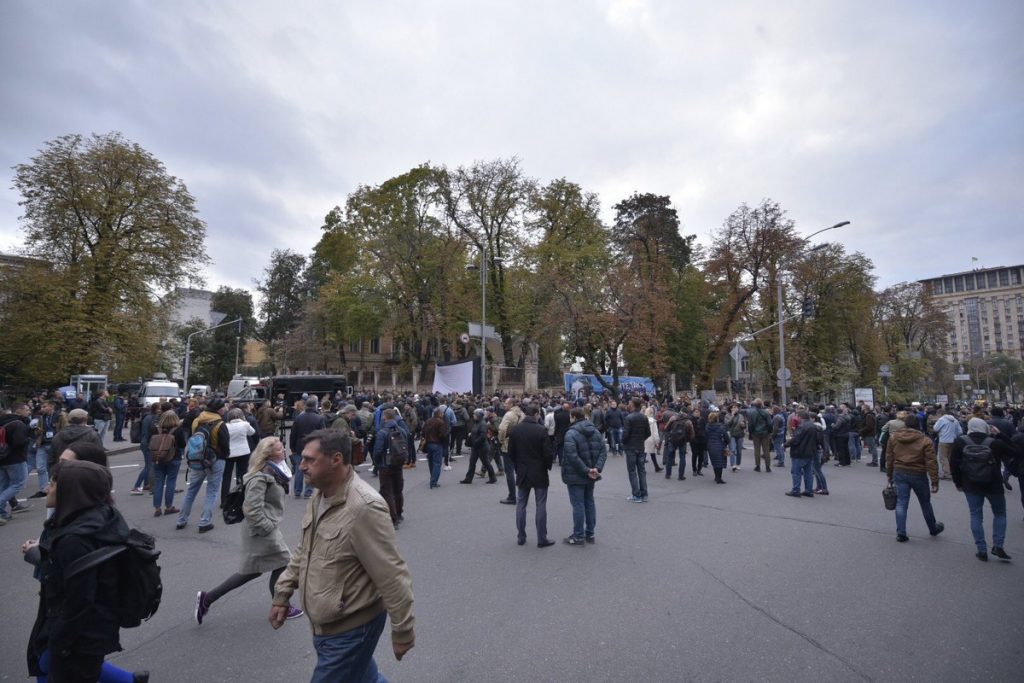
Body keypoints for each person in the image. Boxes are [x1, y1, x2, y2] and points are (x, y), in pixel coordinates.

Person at [269, 429, 415, 682]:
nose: (301, 466)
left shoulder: (364, 507)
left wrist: (403, 630)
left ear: (336, 459)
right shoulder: (321, 494)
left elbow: (392, 574)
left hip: (351, 628)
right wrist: (282, 593)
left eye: (309, 459)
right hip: (328, 624)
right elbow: (306, 549)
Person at [26, 460, 141, 682]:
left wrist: (59, 642)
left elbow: (79, 598)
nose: (47, 488)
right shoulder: (102, 519)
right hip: (95, 631)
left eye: (53, 483)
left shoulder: (74, 539)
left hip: (78, 638)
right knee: (44, 666)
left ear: (71, 491)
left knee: (47, 667)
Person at [196, 437, 303, 623]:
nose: (284, 451)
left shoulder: (274, 471)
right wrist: (268, 525)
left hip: (263, 528)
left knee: (252, 571)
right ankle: (281, 607)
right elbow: (251, 508)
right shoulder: (261, 476)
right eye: (279, 449)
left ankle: (208, 598)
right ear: (268, 455)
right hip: (261, 531)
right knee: (284, 563)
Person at [950, 418, 1014, 561]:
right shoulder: (994, 442)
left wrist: (958, 482)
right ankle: (998, 545)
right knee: (1000, 514)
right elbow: (1014, 451)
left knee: (975, 515)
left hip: (971, 484)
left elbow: (953, 463)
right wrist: (1000, 435)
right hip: (994, 483)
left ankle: (981, 549)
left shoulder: (961, 442)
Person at [886, 414, 944, 542]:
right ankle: (932, 528)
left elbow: (889, 458)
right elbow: (931, 462)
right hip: (918, 473)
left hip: (900, 471)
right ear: (919, 425)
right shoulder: (925, 440)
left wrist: (889, 475)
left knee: (901, 503)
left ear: (905, 424)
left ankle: (901, 532)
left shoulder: (894, 437)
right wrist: (934, 481)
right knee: (925, 503)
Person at [175, 399, 230, 533]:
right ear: (219, 410)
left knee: (192, 490)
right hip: (216, 459)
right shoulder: (220, 424)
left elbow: (194, 438)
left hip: (198, 459)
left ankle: (181, 519)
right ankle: (204, 521)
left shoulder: (197, 421)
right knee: (211, 491)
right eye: (223, 407)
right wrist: (225, 455)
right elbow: (225, 445)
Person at [507, 404, 555, 547]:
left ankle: (521, 536)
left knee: (521, 503)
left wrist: (518, 465)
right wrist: (547, 466)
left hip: (522, 470)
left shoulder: (516, 429)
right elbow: (548, 453)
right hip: (539, 471)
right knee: (541, 504)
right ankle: (542, 538)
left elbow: (511, 452)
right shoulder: (541, 430)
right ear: (535, 414)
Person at [561, 407, 607, 545]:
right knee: (589, 502)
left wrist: (587, 470)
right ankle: (590, 533)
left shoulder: (571, 433)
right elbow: (603, 452)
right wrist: (596, 468)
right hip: (591, 473)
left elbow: (572, 456)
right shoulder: (595, 431)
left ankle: (578, 536)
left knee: (578, 505)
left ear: (574, 417)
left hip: (577, 474)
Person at [372, 408, 409, 526]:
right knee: (398, 490)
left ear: (385, 417)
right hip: (398, 462)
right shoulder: (401, 430)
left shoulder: (382, 432)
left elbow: (377, 450)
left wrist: (377, 464)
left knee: (387, 491)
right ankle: (399, 513)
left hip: (385, 464)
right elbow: (406, 444)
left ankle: (393, 518)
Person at [288, 397, 326, 498]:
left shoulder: (298, 418)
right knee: (311, 468)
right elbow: (323, 434)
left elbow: (293, 434)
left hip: (300, 445)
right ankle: (308, 491)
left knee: (299, 469)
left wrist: (292, 447)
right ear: (315, 405)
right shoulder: (319, 418)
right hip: (314, 445)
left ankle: (297, 490)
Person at [0, 404, 32, 523]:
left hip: (2, 458)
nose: (29, 412)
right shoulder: (18, 424)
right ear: (20, 411)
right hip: (15, 459)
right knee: (18, 483)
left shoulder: (3, 422)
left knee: (3, 485)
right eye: (27, 410)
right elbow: (19, 442)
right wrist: (29, 438)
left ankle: (2, 513)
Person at [151, 410, 184, 518]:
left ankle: (157, 508)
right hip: (173, 458)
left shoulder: (156, 429)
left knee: (158, 482)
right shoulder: (178, 430)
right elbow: (183, 444)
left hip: (158, 457)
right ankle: (169, 507)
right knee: (171, 481)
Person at [49, 408, 102, 474]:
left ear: (69, 420)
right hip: (87, 475)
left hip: (63, 474)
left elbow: (51, 460)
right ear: (85, 419)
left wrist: (54, 477)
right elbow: (100, 459)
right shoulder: (92, 435)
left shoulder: (57, 436)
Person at [223, 408, 256, 505]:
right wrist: (245, 421)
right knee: (243, 474)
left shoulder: (226, 426)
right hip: (243, 451)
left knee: (227, 476)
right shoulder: (245, 424)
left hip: (229, 452)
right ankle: (242, 496)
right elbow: (252, 432)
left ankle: (224, 499)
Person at [621, 398, 651, 502]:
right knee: (641, 471)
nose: (628, 404)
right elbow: (648, 433)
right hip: (640, 446)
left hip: (631, 447)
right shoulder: (644, 417)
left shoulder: (629, 418)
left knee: (632, 471)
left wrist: (624, 442)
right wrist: (640, 439)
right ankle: (644, 494)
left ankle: (636, 495)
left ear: (633, 405)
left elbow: (625, 434)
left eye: (629, 403)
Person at [785, 411, 821, 497]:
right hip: (810, 452)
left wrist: (786, 444)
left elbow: (796, 439)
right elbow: (818, 439)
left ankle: (796, 490)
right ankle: (809, 490)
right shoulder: (814, 426)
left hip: (800, 452)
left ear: (800, 417)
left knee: (796, 472)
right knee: (808, 472)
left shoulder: (802, 427)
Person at [497, 398, 525, 504]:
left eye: (506, 403)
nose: (504, 405)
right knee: (519, 470)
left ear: (511, 404)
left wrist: (501, 440)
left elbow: (502, 429)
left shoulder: (508, 415)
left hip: (508, 444)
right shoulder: (522, 414)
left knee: (509, 472)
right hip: (520, 444)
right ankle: (522, 494)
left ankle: (512, 496)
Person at [130, 404, 160, 495]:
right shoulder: (150, 418)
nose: (160, 410)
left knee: (149, 465)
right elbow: (147, 432)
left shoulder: (149, 417)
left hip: (146, 443)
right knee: (148, 466)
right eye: (159, 409)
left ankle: (146, 484)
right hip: (147, 443)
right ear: (155, 409)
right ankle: (136, 486)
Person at [461, 409, 497, 484]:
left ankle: (493, 478)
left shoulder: (483, 424)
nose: (473, 416)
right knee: (472, 462)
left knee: (486, 462)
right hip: (476, 446)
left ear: (479, 416)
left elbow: (483, 436)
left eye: (475, 414)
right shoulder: (477, 423)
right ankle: (468, 478)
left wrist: (475, 442)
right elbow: (476, 432)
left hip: (482, 447)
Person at [421, 407, 449, 489]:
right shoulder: (441, 422)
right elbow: (443, 434)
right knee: (437, 463)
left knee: (431, 462)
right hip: (437, 444)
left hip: (429, 443)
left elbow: (423, 432)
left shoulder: (428, 421)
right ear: (440, 414)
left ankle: (432, 478)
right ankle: (433, 481)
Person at [933, 409, 963, 480]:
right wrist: (954, 435)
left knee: (943, 457)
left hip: (944, 440)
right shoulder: (955, 420)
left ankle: (947, 473)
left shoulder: (941, 419)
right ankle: (952, 471)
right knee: (950, 457)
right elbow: (960, 431)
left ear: (940, 413)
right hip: (953, 440)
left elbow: (935, 429)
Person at [704, 411, 730, 484]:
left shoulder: (707, 426)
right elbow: (726, 437)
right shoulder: (721, 426)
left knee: (714, 462)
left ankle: (716, 477)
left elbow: (706, 437)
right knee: (720, 462)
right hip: (720, 445)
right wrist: (726, 442)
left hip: (710, 446)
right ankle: (719, 478)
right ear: (717, 418)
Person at [747, 399, 772, 472]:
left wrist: (750, 433)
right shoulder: (766, 413)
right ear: (761, 405)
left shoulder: (752, 413)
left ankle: (758, 466)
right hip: (765, 433)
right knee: (766, 450)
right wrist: (769, 431)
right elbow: (770, 424)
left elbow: (750, 424)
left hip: (756, 433)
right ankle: (768, 467)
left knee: (757, 450)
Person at [725, 405, 746, 472]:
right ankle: (733, 465)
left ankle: (738, 464)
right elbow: (727, 424)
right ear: (730, 409)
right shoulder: (727, 415)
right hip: (732, 435)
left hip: (740, 434)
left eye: (736, 407)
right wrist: (732, 416)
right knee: (733, 449)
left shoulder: (741, 416)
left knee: (739, 451)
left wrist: (743, 425)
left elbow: (744, 425)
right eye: (733, 407)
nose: (735, 408)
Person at [643, 406, 662, 473]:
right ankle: (656, 467)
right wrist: (657, 441)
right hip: (651, 439)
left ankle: (655, 467)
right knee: (652, 452)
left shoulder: (643, 420)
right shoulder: (653, 421)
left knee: (645, 453)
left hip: (644, 438)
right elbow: (655, 433)